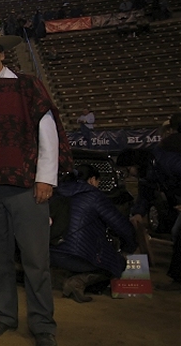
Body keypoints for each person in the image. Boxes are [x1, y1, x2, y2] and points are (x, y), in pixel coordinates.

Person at [0, 30, 72, 346]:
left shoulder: (27, 86)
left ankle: (43, 324)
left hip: (25, 187)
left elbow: (47, 131)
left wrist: (46, 177)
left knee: (36, 260)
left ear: (2, 54)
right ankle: (4, 316)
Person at [51, 164, 137, 302]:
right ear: (92, 180)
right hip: (76, 256)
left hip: (50, 254)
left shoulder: (55, 192)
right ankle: (78, 282)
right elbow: (121, 226)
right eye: (98, 181)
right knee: (116, 263)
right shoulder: (94, 196)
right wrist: (130, 247)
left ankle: (60, 279)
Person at [116, 121, 181, 291]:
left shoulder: (166, 160)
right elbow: (144, 196)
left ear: (135, 165)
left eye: (127, 169)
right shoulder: (149, 173)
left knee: (178, 232)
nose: (128, 174)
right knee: (176, 232)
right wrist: (138, 213)